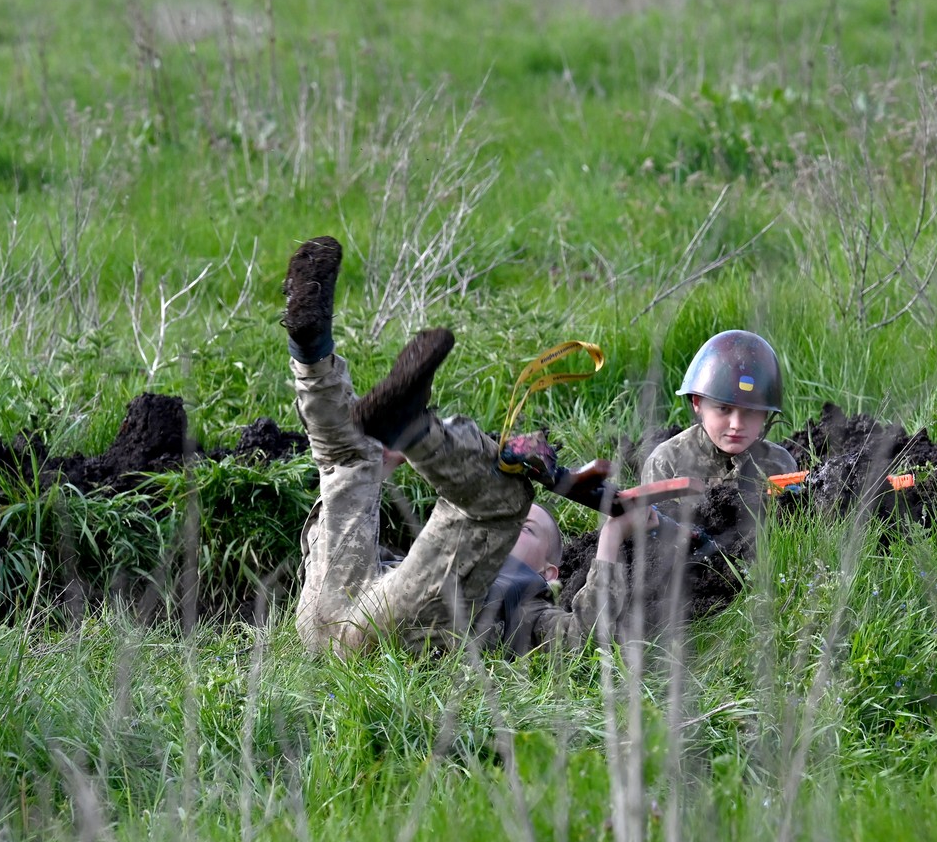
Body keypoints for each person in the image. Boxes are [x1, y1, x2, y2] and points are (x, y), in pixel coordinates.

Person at [282, 235, 648, 657]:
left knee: (507, 499)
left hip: (369, 637)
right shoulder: (419, 569)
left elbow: (583, 640)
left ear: (549, 571)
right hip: (335, 606)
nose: (514, 534)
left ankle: (409, 427)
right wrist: (376, 478)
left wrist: (613, 536)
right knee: (353, 459)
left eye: (527, 530)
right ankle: (311, 351)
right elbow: (364, 557)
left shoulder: (526, 604)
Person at [640, 329, 797, 518]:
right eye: (724, 409)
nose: (737, 424)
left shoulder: (779, 464)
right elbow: (650, 536)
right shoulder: (667, 463)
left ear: (765, 414)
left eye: (751, 412)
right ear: (698, 403)